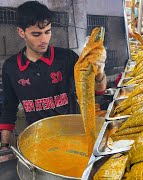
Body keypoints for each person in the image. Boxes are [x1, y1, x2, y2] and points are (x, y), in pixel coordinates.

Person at [0, 1, 107, 158]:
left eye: (48, 32)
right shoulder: (11, 68)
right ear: (21, 32)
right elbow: (9, 109)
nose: (44, 39)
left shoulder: (67, 58)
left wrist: (99, 71)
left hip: (76, 135)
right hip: (40, 141)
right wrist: (4, 146)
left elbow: (98, 91)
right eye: (36, 34)